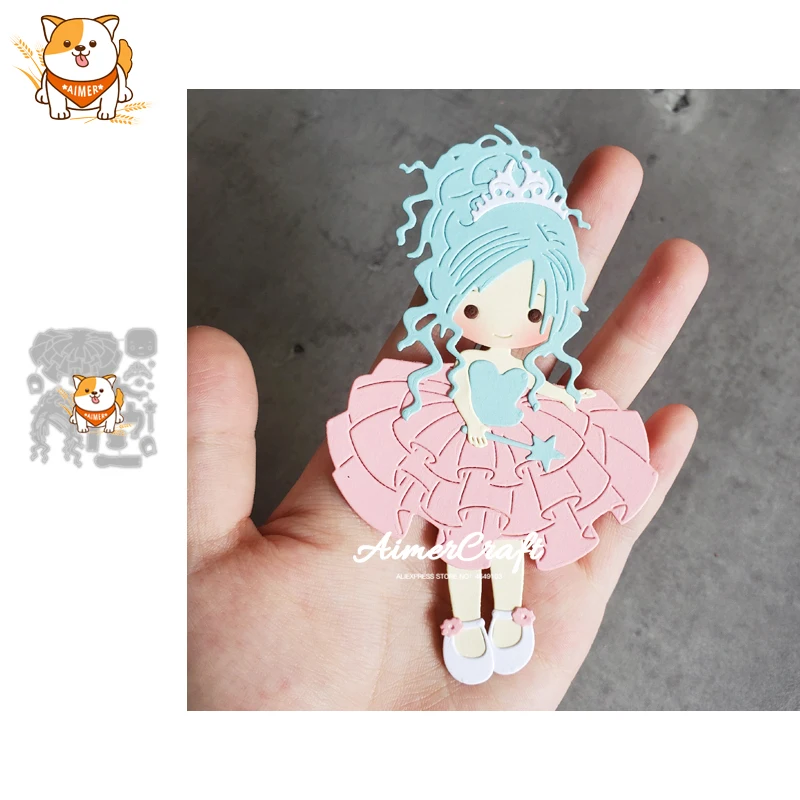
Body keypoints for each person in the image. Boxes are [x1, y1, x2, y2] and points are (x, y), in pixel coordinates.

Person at [188, 143, 708, 709]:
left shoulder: (523, 371)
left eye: (534, 312)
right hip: (463, 455)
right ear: (456, 296)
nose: (506, 325)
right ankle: (465, 622)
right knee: (462, 542)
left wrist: (558, 405)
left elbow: (535, 392)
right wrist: (477, 424)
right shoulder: (465, 368)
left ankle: (509, 614)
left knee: (509, 540)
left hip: (519, 453)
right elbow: (462, 389)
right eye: (478, 305)